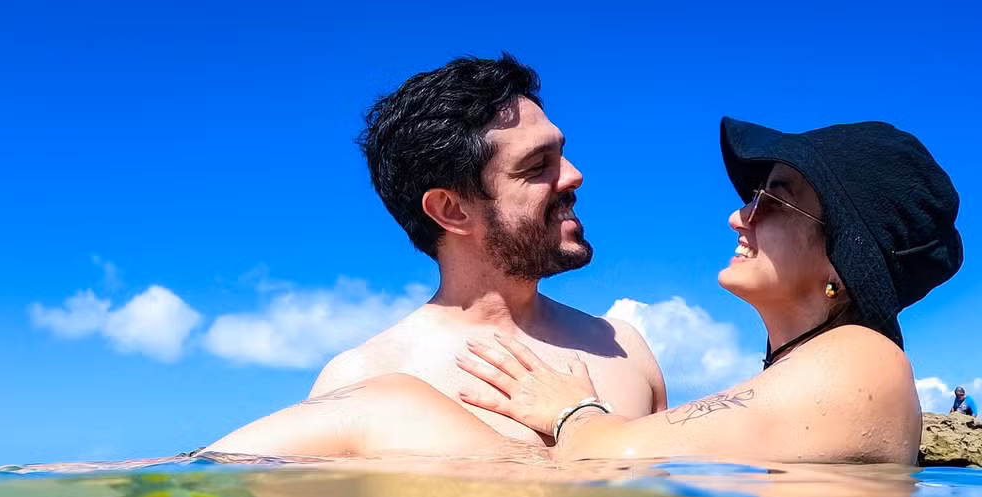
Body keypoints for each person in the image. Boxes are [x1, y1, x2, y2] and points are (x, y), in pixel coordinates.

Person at [206, 55, 664, 459]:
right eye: (535, 166)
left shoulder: (623, 345)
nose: (574, 177)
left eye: (561, 154)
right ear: (451, 209)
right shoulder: (370, 375)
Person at [451, 117, 963, 465]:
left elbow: (615, 456)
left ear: (843, 258)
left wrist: (571, 412)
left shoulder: (862, 360)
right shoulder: (825, 364)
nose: (739, 216)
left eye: (773, 203)